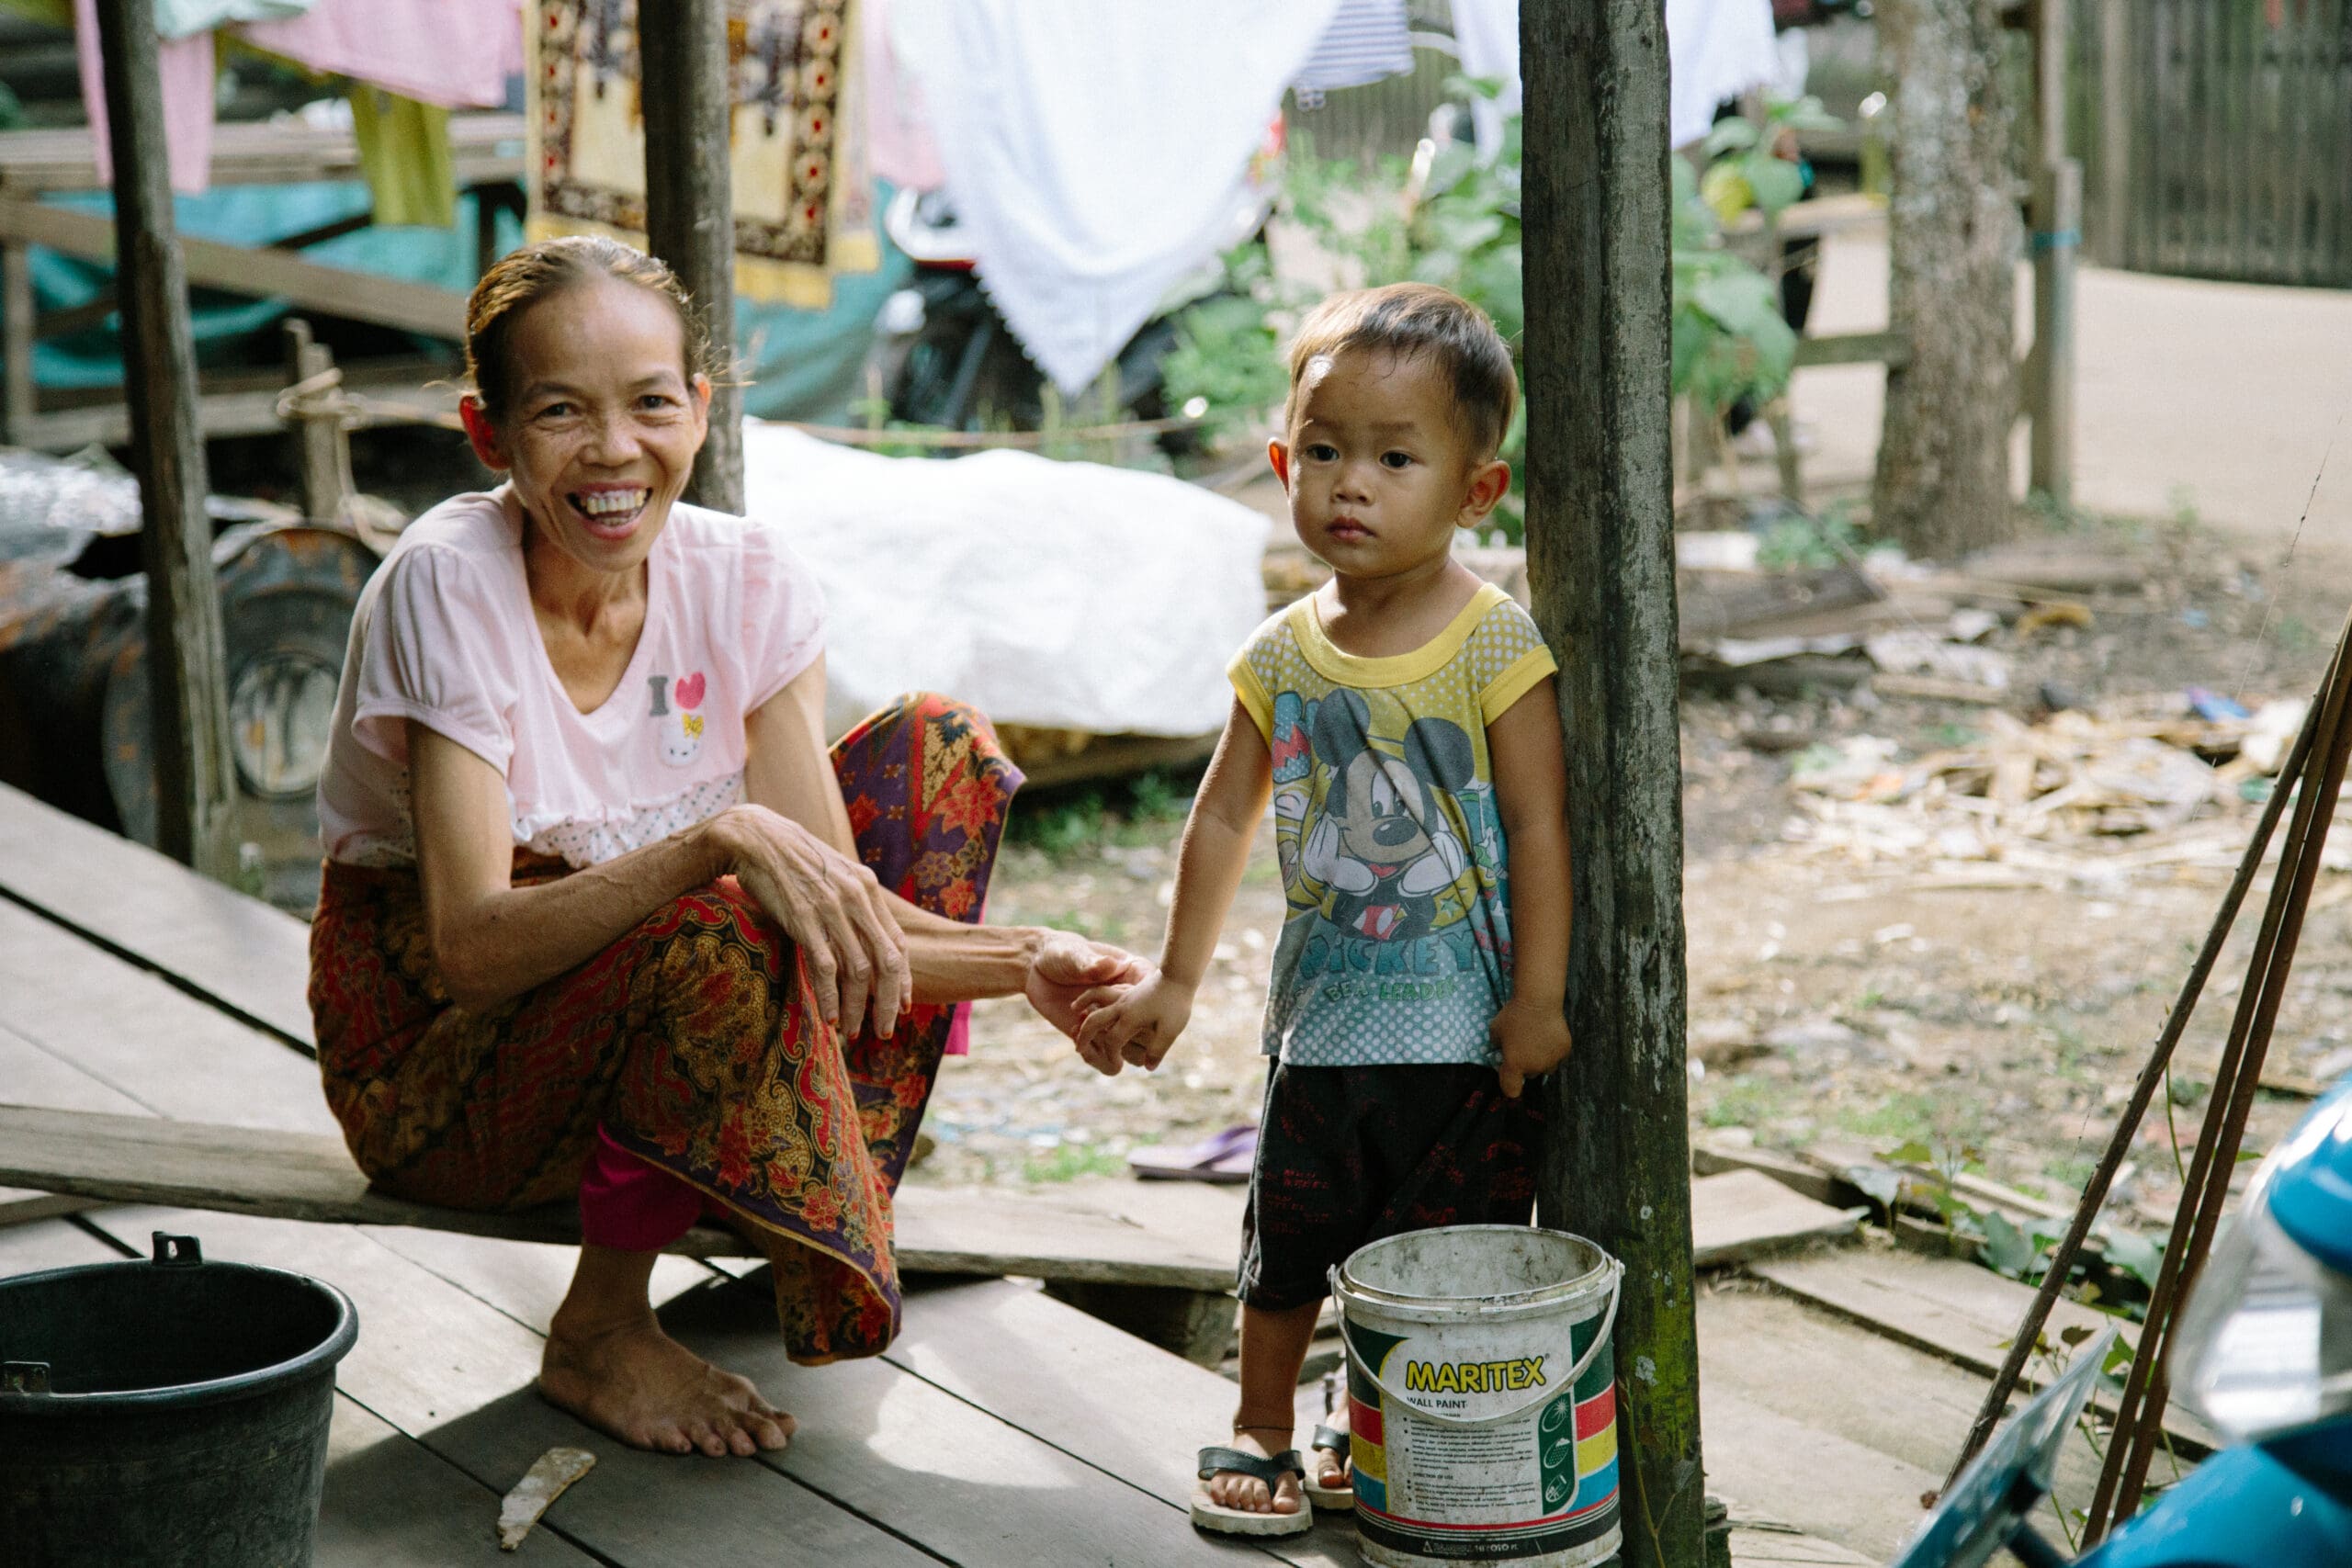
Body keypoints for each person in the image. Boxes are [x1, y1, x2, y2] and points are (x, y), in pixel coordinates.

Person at [308, 234, 1145, 1461]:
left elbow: (835, 907)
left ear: (699, 410)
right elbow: (472, 950)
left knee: (935, 750)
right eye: (559, 413)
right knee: (723, 915)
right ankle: (597, 1330)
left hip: (634, 1024)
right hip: (439, 1073)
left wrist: (1027, 962)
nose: (612, 452)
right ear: (489, 437)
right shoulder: (449, 581)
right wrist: (716, 839)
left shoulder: (741, 576)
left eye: (650, 403)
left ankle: (786, 1176)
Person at [1074, 282, 1574, 1536]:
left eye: (1397, 459)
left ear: (1476, 491)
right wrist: (1176, 983)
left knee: (1431, 1263)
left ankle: (1378, 1433)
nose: (1354, 485)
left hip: (1464, 1044)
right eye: (1329, 454)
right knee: (1286, 1246)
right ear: (1283, 462)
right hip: (1321, 1029)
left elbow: (1537, 826)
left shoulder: (1493, 645)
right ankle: (1260, 1428)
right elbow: (1224, 821)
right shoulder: (1282, 654)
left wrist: (1540, 1001)